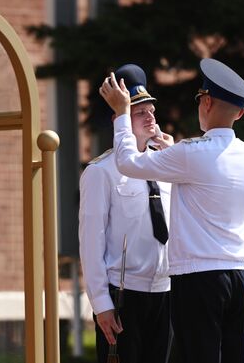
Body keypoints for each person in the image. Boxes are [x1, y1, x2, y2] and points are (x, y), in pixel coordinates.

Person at [99, 58, 244, 363]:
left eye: (200, 98)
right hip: (238, 277)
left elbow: (127, 163)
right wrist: (173, 152)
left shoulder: (190, 153)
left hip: (199, 280)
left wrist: (122, 113)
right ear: (240, 112)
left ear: (207, 102)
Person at [79, 64, 174, 363]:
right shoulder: (101, 172)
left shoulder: (166, 164)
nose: (150, 117)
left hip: (165, 291)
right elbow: (90, 241)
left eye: (151, 111)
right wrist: (101, 304)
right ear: (118, 119)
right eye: (139, 112)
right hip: (124, 296)